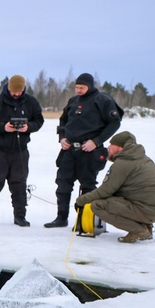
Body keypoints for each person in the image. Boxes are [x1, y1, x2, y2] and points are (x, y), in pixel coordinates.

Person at [44, 73, 122, 228]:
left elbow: (114, 123)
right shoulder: (73, 101)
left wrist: (96, 141)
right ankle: (61, 218)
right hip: (69, 150)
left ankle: (84, 221)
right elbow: (63, 120)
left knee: (87, 186)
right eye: (77, 87)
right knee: (63, 183)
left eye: (82, 87)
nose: (78, 90)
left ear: (90, 86)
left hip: (90, 151)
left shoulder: (103, 100)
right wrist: (62, 137)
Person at [75, 131, 155, 243]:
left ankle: (139, 230)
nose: (109, 147)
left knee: (97, 205)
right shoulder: (142, 159)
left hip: (149, 209)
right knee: (116, 200)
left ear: (121, 147)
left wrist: (81, 200)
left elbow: (105, 191)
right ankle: (145, 227)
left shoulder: (123, 163)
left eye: (112, 144)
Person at [0, 75, 44, 226]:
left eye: (19, 91)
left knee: (19, 184)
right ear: (8, 88)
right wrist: (3, 127)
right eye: (13, 91)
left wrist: (28, 127)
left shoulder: (31, 102)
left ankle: (20, 216)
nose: (16, 94)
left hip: (20, 151)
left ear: (23, 89)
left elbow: (39, 121)